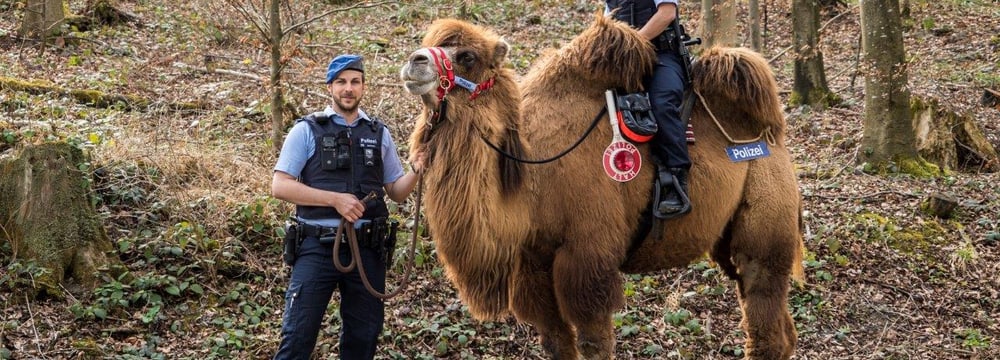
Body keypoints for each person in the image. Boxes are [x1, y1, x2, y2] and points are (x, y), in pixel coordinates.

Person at [271, 54, 423, 360]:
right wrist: (335, 200)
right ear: (330, 87)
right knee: (297, 338)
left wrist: (417, 170)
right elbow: (280, 186)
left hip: (367, 251)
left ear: (364, 86)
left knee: (363, 340)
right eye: (341, 82)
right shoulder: (307, 130)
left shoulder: (379, 134)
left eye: (355, 81)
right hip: (316, 247)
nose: (348, 88)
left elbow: (395, 192)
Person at [606, 0, 692, 219]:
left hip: (662, 56)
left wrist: (632, 44)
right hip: (625, 60)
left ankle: (675, 179)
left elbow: (666, 14)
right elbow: (607, 24)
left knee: (661, 103)